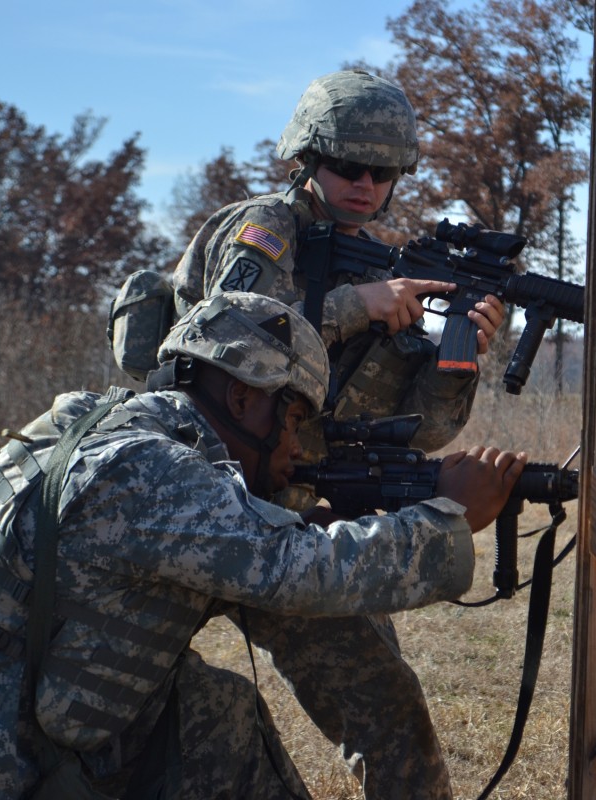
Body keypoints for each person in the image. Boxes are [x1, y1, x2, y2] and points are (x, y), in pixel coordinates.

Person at [0, 292, 525, 800]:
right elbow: (300, 573)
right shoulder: (147, 470)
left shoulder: (101, 424)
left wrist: (302, 520)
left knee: (214, 712)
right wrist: (449, 514)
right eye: (293, 421)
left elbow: (220, 537)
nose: (297, 449)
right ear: (241, 399)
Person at [170, 70, 506, 799]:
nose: (363, 183)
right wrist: (358, 305)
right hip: (192, 506)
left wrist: (458, 358)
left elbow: (421, 432)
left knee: (388, 713)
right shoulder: (265, 228)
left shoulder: (386, 267)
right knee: (111, 698)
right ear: (305, 159)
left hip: (296, 524)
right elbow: (230, 337)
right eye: (345, 166)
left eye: (380, 171)